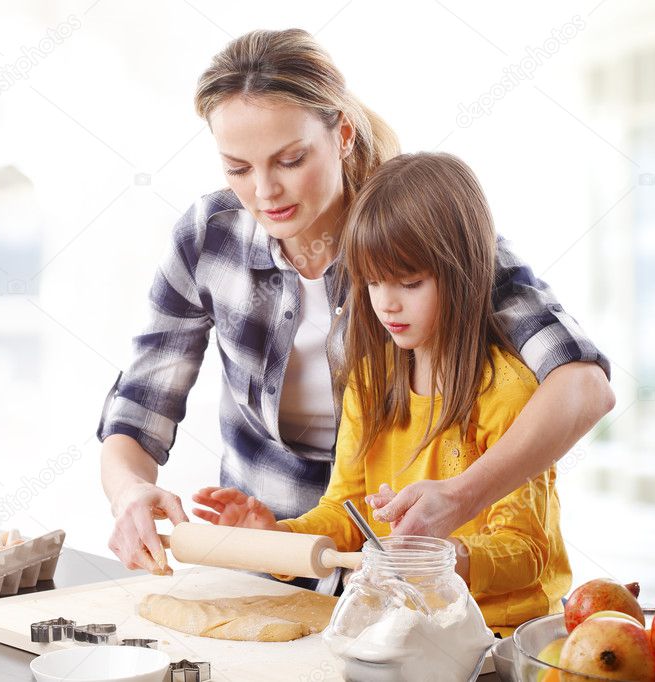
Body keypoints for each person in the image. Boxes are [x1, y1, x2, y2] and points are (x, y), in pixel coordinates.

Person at [98, 28, 613, 589]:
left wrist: (461, 499)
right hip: (271, 556)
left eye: (290, 160)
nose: (265, 191)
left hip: (409, 573)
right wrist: (129, 492)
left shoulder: (418, 233)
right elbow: (139, 406)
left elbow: (584, 386)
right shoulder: (209, 238)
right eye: (238, 169)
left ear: (342, 134)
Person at [192, 152, 570, 630]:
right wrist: (277, 537)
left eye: (409, 283)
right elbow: (345, 515)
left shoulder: (507, 394)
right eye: (373, 283)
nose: (387, 304)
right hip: (403, 629)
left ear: (465, 275)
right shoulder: (370, 383)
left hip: (496, 635)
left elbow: (529, 551)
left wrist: (446, 557)